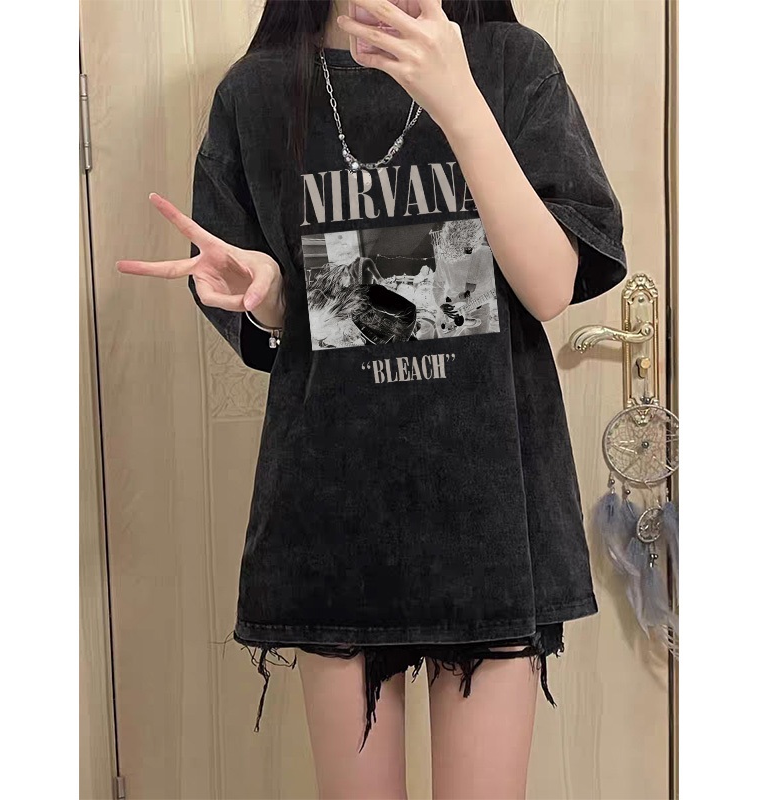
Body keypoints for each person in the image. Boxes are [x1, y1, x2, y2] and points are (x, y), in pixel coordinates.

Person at [116, 1, 627, 797]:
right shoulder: (257, 93)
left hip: (492, 515)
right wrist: (275, 297)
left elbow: (550, 286)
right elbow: (284, 308)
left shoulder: (509, 63)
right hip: (336, 513)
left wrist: (458, 98)